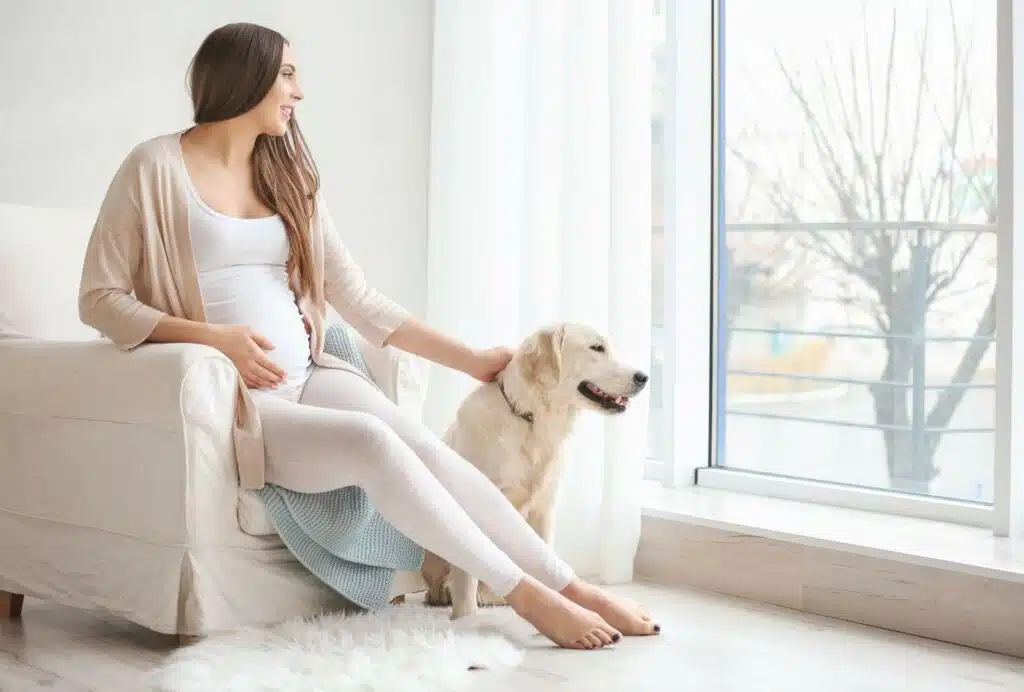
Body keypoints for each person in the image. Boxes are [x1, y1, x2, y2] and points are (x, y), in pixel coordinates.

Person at [78, 22, 658, 651]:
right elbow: (100, 299)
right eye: (289, 75)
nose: (300, 90)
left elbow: (356, 297)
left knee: (428, 449)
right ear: (243, 76)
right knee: (373, 442)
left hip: (315, 373)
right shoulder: (154, 167)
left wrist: (470, 359)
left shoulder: (290, 172)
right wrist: (215, 340)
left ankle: (574, 587)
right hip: (245, 401)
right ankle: (528, 597)